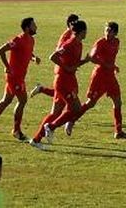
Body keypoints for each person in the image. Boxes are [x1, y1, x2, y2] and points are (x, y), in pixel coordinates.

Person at [62, 21, 126, 140]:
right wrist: (106, 64)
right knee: (90, 103)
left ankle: (118, 131)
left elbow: (111, 58)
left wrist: (113, 66)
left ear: (115, 33)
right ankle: (71, 120)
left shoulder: (116, 42)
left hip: (110, 77)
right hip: (99, 77)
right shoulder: (100, 42)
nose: (107, 33)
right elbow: (93, 57)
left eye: (110, 31)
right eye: (106, 30)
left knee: (118, 102)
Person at [30, 19, 89, 149]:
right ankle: (50, 127)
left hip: (70, 80)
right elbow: (53, 57)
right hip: (63, 81)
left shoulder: (79, 44)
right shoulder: (69, 43)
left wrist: (86, 60)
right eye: (86, 31)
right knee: (76, 109)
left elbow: (74, 64)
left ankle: (36, 139)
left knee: (55, 113)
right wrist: (66, 68)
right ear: (82, 31)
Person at [0, 17, 41, 141]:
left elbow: (27, 52)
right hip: (14, 77)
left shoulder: (31, 40)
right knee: (22, 100)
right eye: (34, 25)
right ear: (27, 28)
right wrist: (7, 67)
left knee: (6, 100)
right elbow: (1, 50)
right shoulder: (18, 40)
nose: (36, 27)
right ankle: (16, 131)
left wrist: (34, 58)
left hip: (19, 77)